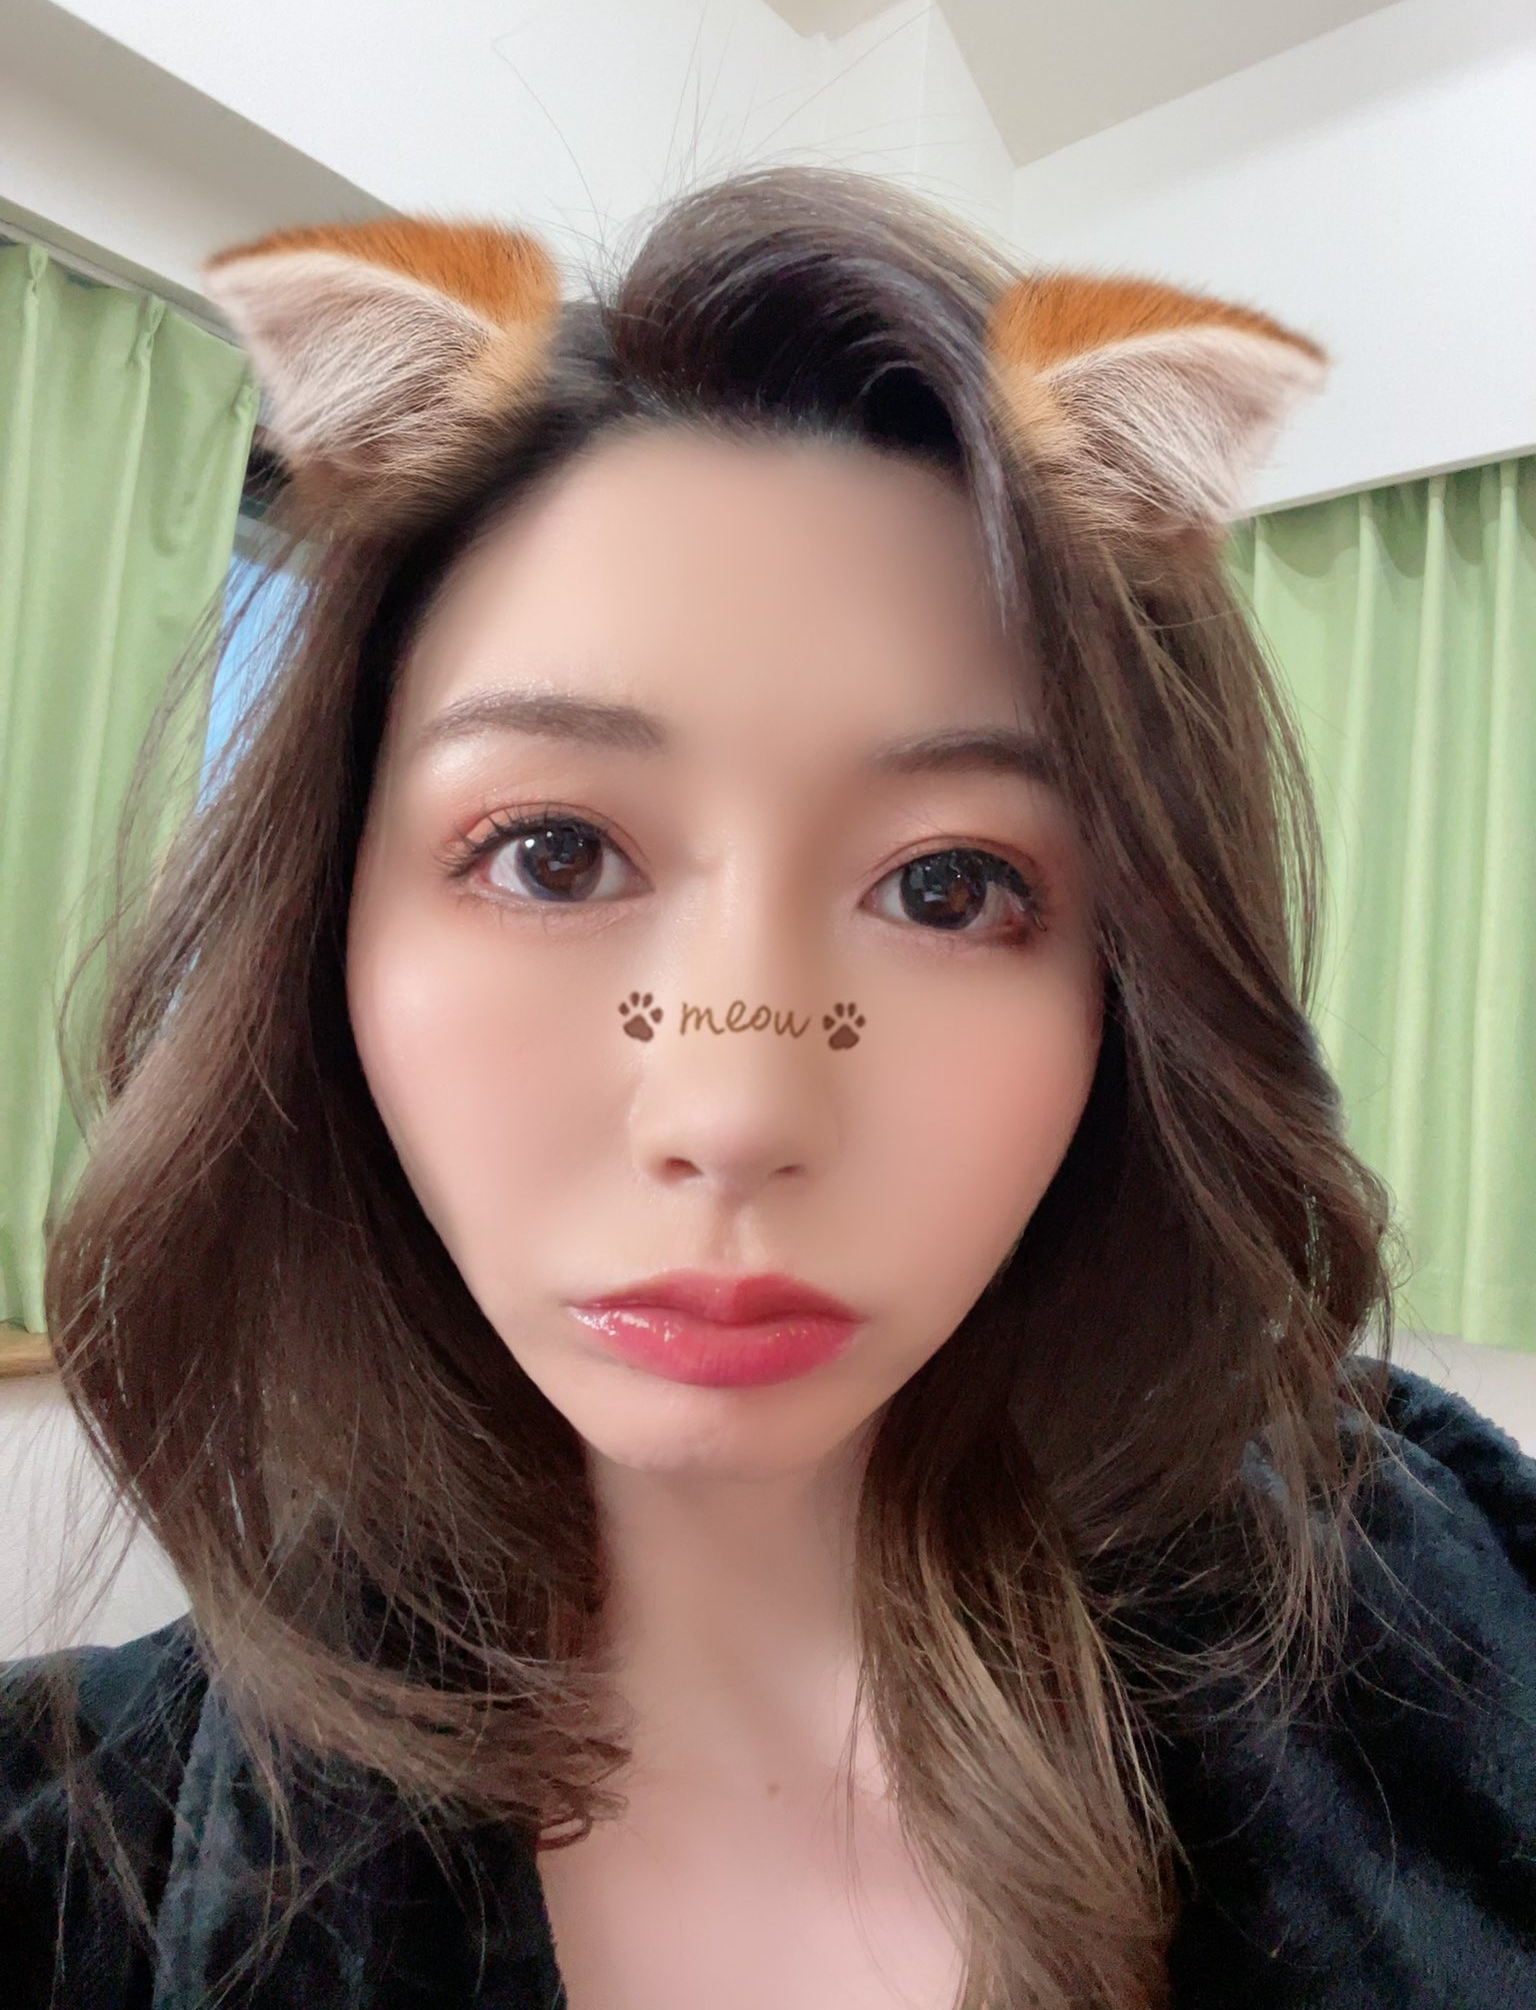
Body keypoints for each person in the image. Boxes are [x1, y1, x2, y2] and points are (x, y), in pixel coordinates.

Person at [2, 162, 1533, 2010]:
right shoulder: (65, 1862)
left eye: (949, 888)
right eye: (554, 854)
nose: (732, 1114)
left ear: (1129, 997)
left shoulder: (1439, 1611)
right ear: (329, 936)